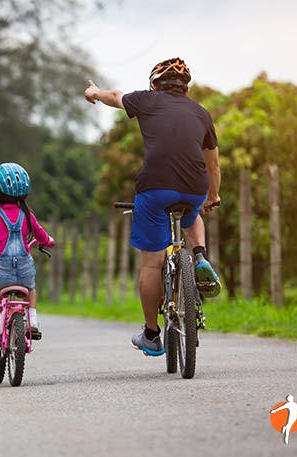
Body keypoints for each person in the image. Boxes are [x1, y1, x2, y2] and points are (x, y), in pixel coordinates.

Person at [84, 57, 221, 356]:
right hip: (195, 187)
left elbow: (116, 96)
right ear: (186, 89)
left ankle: (151, 334)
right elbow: (213, 163)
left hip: (155, 188)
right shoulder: (202, 113)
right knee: (193, 213)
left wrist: (95, 93)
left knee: (151, 263)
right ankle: (200, 257)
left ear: (154, 84)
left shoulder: (147, 100)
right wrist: (213, 196)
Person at [0, 162, 54, 370]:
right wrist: (49, 241)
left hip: (0, 272)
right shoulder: (27, 215)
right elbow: (43, 237)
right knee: (30, 287)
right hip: (23, 270)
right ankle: (32, 319)